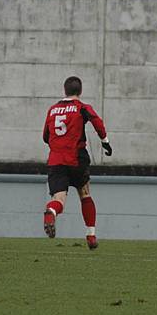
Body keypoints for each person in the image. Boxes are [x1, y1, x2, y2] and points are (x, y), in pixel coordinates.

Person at [42, 76, 112, 250]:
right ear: (80, 91)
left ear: (64, 90)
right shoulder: (82, 108)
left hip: (56, 160)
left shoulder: (52, 110)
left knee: (59, 199)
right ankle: (91, 235)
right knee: (85, 194)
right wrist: (105, 141)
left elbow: (45, 136)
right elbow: (97, 122)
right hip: (76, 159)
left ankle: (51, 212)